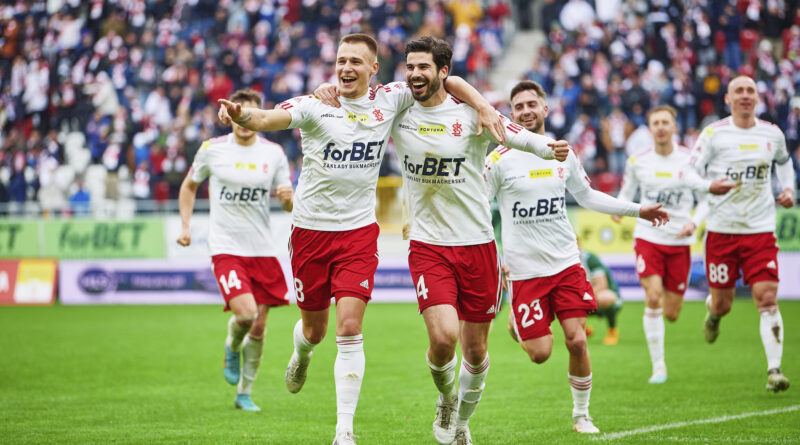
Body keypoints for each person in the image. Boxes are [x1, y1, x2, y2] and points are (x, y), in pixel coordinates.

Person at [218, 33, 505, 445]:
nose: (346, 67)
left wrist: (482, 105)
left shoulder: (391, 98)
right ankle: (302, 352)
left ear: (374, 69)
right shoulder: (315, 104)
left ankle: (344, 431)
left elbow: (448, 79)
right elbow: (265, 119)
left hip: (358, 235)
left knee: (350, 327)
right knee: (314, 331)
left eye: (355, 61)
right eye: (341, 60)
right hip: (310, 234)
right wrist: (242, 115)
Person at [389, 38, 571, 445]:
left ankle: (462, 423)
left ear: (443, 71)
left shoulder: (471, 115)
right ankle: (446, 399)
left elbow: (514, 134)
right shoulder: (397, 110)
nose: (414, 74)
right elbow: (356, 102)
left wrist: (549, 148)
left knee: (475, 352)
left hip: (478, 246)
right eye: (409, 66)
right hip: (428, 245)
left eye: (423, 67)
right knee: (443, 339)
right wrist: (327, 90)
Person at [485, 80, 668, 434]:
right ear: (511, 114)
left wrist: (638, 210)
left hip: (566, 264)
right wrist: (495, 257)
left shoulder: (562, 153)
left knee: (578, 340)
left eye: (531, 104)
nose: (525, 111)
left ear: (545, 109)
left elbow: (588, 196)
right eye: (518, 106)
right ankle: (517, 325)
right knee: (540, 353)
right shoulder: (498, 160)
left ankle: (582, 416)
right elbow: (479, 210)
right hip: (525, 272)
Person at [177, 88, 294, 412]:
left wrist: (288, 198)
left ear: (259, 117)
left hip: (262, 249)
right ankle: (231, 346)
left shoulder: (273, 153)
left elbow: (287, 202)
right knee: (246, 314)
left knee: (259, 327)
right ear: (229, 116)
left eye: (250, 114)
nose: (244, 120)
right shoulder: (212, 149)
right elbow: (189, 185)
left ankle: (245, 392)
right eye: (238, 113)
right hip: (226, 246)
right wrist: (185, 225)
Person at [688, 75, 795, 392]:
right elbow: (689, 172)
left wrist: (788, 188)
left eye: (751, 90)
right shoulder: (713, 134)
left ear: (758, 98)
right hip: (721, 232)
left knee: (767, 297)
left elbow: (784, 163)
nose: (746, 95)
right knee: (723, 304)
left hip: (760, 230)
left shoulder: (772, 134)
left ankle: (774, 370)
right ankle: (713, 315)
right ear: (728, 99)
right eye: (739, 91)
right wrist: (709, 186)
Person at [613, 105, 734, 383]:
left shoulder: (690, 160)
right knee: (653, 296)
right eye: (655, 123)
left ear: (674, 126)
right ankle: (659, 367)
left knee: (672, 313)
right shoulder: (637, 161)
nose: (661, 127)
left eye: (665, 122)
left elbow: (705, 199)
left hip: (680, 240)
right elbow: (626, 193)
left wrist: (694, 221)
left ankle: (713, 305)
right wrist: (619, 208)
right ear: (650, 128)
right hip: (649, 237)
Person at [579, 247, 623, 346]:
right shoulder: (563, 261)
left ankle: (612, 330)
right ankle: (582, 328)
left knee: (604, 298)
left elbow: (601, 285)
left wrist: (581, 297)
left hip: (603, 296)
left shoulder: (590, 259)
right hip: (585, 298)